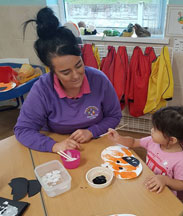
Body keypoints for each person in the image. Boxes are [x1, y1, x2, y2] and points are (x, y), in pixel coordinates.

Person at [14, 7, 122, 153]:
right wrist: (54, 145)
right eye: (65, 72)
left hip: (96, 142)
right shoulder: (42, 89)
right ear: (51, 70)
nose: (76, 76)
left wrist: (92, 131)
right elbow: (23, 130)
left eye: (79, 65)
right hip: (59, 146)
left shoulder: (99, 80)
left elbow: (114, 115)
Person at [108, 106, 183, 194]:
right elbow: (133, 142)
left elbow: (182, 185)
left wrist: (165, 180)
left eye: (156, 129)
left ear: (172, 140)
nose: (152, 130)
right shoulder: (153, 141)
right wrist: (119, 138)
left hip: (162, 192)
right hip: (146, 182)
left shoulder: (181, 161)